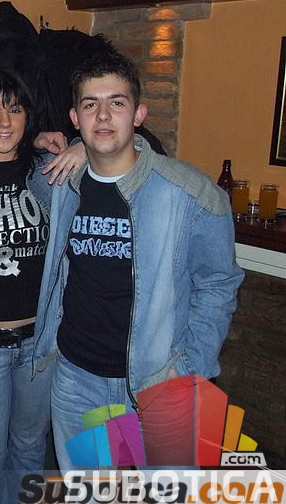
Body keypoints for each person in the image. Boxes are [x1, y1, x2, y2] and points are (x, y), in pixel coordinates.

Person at [29, 52, 244, 472]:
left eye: (117, 102)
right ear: (75, 118)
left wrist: (192, 368)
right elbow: (6, 148)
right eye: (90, 104)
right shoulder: (60, 183)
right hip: (77, 381)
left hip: (161, 382)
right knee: (93, 496)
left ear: (139, 114)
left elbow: (219, 284)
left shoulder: (190, 193)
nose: (103, 115)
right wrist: (44, 141)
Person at [0, 69, 87, 504]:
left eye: (14, 109)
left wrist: (82, 145)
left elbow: (129, 148)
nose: (3, 121)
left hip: (40, 342)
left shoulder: (47, 172)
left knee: (30, 452)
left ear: (28, 117)